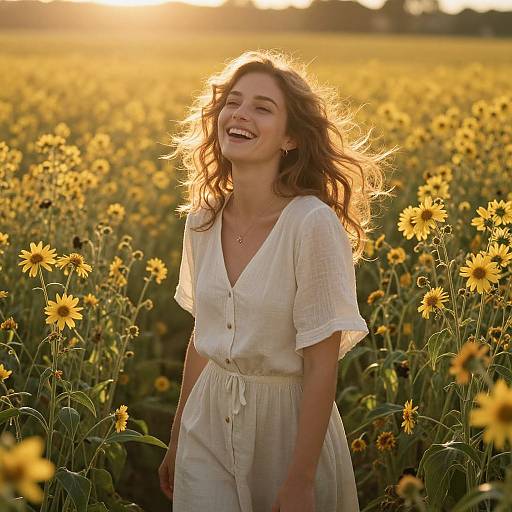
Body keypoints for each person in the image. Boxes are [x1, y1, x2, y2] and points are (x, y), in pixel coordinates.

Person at [158, 49, 396, 512]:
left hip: (287, 431)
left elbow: (322, 363)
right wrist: (175, 439)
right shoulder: (203, 219)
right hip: (205, 425)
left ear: (289, 138)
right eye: (233, 101)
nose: (240, 113)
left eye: (262, 107)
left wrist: (300, 480)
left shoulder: (311, 224)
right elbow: (203, 337)